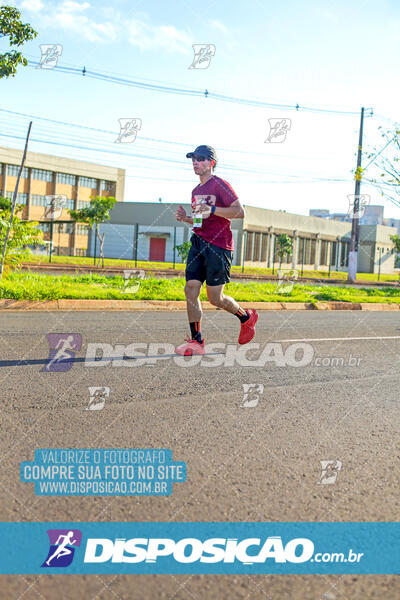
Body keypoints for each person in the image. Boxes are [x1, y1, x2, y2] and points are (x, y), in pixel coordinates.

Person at [175, 145, 258, 356]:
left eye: (200, 159)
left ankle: (245, 318)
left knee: (215, 299)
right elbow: (200, 220)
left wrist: (212, 209)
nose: (195, 162)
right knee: (191, 290)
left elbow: (240, 212)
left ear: (211, 163)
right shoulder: (195, 191)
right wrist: (187, 218)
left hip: (219, 246)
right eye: (193, 159)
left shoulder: (220, 185)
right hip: (198, 242)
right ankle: (196, 341)